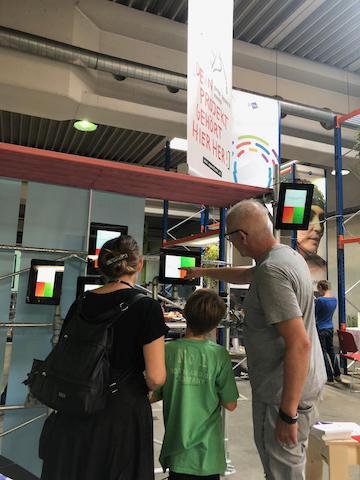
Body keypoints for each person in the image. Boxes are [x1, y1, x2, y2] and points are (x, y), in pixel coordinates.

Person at [182, 199, 326, 480]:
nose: (232, 243)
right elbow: (247, 274)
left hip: (281, 394)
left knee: (282, 471)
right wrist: (201, 272)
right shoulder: (285, 257)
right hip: (306, 383)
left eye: (230, 237)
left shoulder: (271, 271)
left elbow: (300, 343)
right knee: (290, 463)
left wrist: (287, 414)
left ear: (241, 236)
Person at [39, 235, 168, 480]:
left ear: (102, 267)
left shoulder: (81, 302)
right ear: (139, 264)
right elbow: (156, 376)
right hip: (120, 420)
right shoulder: (147, 307)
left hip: (75, 409)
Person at [151, 289, 239, 480]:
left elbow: (152, 394)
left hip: (177, 454)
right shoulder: (219, 355)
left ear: (184, 314)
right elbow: (231, 404)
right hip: (209, 455)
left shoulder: (167, 351)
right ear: (215, 324)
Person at [295, 182, 327, 284]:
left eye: (321, 220)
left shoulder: (325, 269)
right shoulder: (276, 266)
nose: (318, 228)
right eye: (308, 218)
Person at [315, 280, 341, 383]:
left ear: (321, 287)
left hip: (321, 328)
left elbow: (315, 314)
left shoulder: (320, 300)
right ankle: (337, 374)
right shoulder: (334, 300)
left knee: (323, 352)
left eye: (318, 289)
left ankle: (329, 376)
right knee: (331, 351)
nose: (318, 291)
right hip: (330, 327)